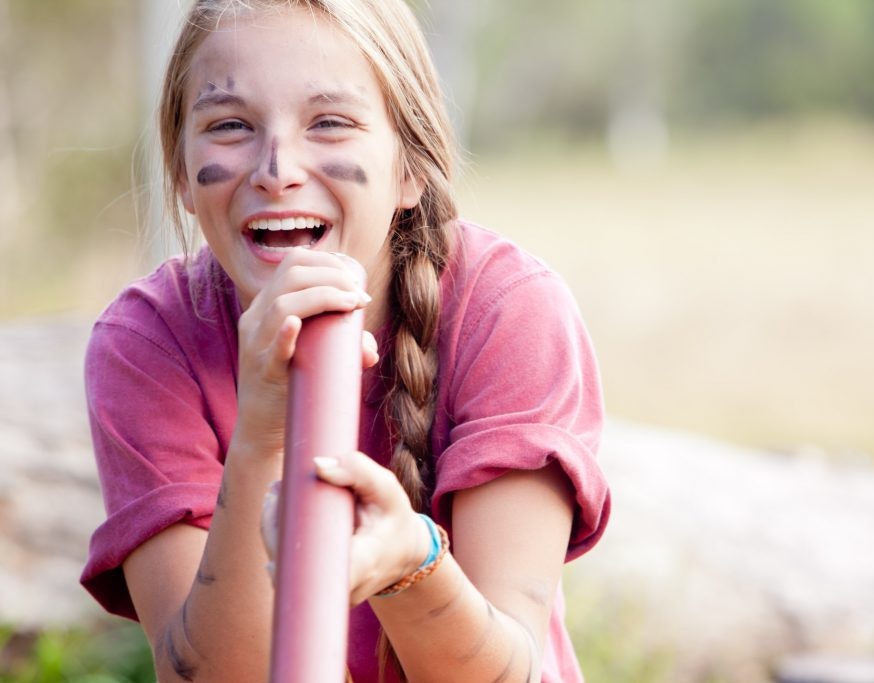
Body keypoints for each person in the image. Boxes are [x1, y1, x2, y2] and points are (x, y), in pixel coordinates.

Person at [80, 1, 610, 681]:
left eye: (330, 122)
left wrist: (409, 566)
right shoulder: (145, 343)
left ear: (410, 167)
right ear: (182, 172)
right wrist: (261, 440)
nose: (277, 168)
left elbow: (510, 669)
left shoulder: (509, 310)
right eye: (230, 125)